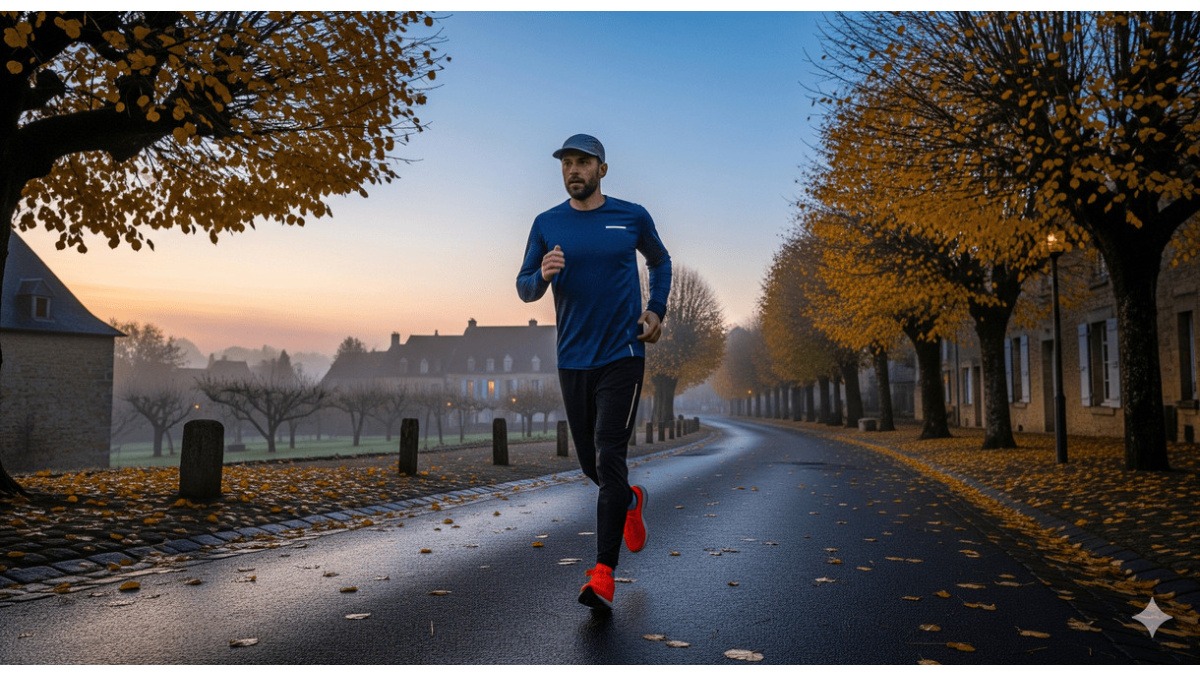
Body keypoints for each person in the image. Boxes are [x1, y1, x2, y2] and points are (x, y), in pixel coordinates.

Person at [516, 133, 672, 611]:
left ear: (602, 169)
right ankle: (628, 502)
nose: (573, 170)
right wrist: (541, 274)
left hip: (623, 354)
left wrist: (656, 310)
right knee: (592, 465)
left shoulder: (631, 216)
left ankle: (603, 574)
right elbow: (524, 289)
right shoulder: (546, 224)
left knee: (609, 457)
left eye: (583, 162)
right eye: (567, 163)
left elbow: (660, 261)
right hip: (572, 359)